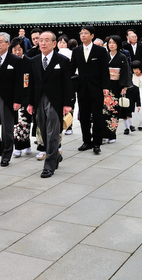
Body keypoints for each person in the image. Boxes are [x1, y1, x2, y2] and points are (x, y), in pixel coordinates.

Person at [27, 31, 72, 178]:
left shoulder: (62, 60)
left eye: (47, 40)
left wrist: (67, 103)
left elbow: (67, 84)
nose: (43, 43)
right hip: (39, 99)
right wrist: (30, 103)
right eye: (41, 40)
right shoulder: (33, 60)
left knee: (53, 132)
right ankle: (55, 155)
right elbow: (31, 84)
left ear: (54, 44)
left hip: (55, 101)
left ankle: (49, 165)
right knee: (44, 131)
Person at [70, 25, 110, 155]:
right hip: (82, 88)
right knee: (84, 116)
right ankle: (86, 141)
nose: (82, 35)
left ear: (92, 35)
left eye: (85, 33)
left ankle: (97, 142)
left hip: (97, 88)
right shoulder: (76, 51)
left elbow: (105, 71)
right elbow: (71, 69)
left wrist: (105, 87)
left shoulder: (100, 51)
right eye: (81, 33)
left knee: (98, 116)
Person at [0, 32, 23, 167]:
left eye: (1, 42)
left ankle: (6, 155)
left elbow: (20, 82)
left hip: (8, 99)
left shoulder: (16, 60)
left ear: (7, 44)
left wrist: (18, 100)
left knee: (7, 130)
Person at [101, 35, 132, 144]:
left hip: (116, 86)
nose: (111, 45)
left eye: (114, 43)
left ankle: (111, 134)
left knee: (114, 112)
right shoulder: (104, 55)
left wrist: (124, 87)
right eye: (110, 43)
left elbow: (125, 72)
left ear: (118, 44)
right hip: (104, 86)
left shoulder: (122, 57)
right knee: (103, 111)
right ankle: (103, 135)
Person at [9, 37, 33, 158]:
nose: (17, 52)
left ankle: (18, 146)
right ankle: (25, 144)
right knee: (15, 123)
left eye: (20, 49)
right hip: (12, 96)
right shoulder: (10, 61)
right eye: (15, 49)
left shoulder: (29, 62)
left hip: (25, 95)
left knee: (24, 122)